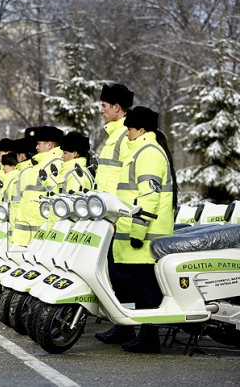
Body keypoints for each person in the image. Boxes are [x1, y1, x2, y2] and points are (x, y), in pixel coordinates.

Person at [114, 106, 177, 354]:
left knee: (147, 288)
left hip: (145, 236)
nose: (126, 133)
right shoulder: (142, 151)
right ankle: (146, 336)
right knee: (143, 287)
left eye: (129, 128)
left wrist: (138, 232)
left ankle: (150, 338)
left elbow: (148, 198)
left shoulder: (148, 153)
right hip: (141, 234)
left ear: (141, 130)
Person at [94, 84, 137, 344]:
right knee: (113, 272)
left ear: (117, 108)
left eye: (105, 106)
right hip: (110, 215)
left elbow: (129, 178)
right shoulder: (114, 136)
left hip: (120, 216)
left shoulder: (124, 136)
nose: (101, 110)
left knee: (123, 273)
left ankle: (128, 327)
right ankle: (122, 326)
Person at [12, 126, 64, 247]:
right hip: (29, 238)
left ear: (49, 145)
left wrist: (50, 239)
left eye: (39, 144)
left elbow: (55, 203)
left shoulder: (53, 165)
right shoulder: (41, 165)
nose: (36, 148)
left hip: (38, 239)